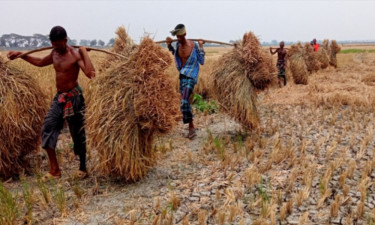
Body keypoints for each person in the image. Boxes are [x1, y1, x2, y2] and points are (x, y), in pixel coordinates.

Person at [7, 26, 95, 181]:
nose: (55, 47)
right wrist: (21, 55)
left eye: (58, 44)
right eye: (53, 44)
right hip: (60, 98)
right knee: (48, 126)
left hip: (74, 98)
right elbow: (40, 62)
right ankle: (54, 170)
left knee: (77, 133)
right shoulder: (54, 52)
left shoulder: (75, 55)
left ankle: (82, 168)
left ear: (65, 41)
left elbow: (91, 74)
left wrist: (83, 52)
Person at [166, 24, 205, 139]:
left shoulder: (194, 46)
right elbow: (175, 54)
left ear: (184, 35)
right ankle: (191, 126)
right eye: (177, 37)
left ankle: (191, 128)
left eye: (180, 37)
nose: (178, 39)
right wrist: (169, 46)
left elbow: (202, 61)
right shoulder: (178, 45)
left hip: (191, 76)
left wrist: (201, 46)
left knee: (184, 100)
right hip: (182, 76)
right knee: (184, 102)